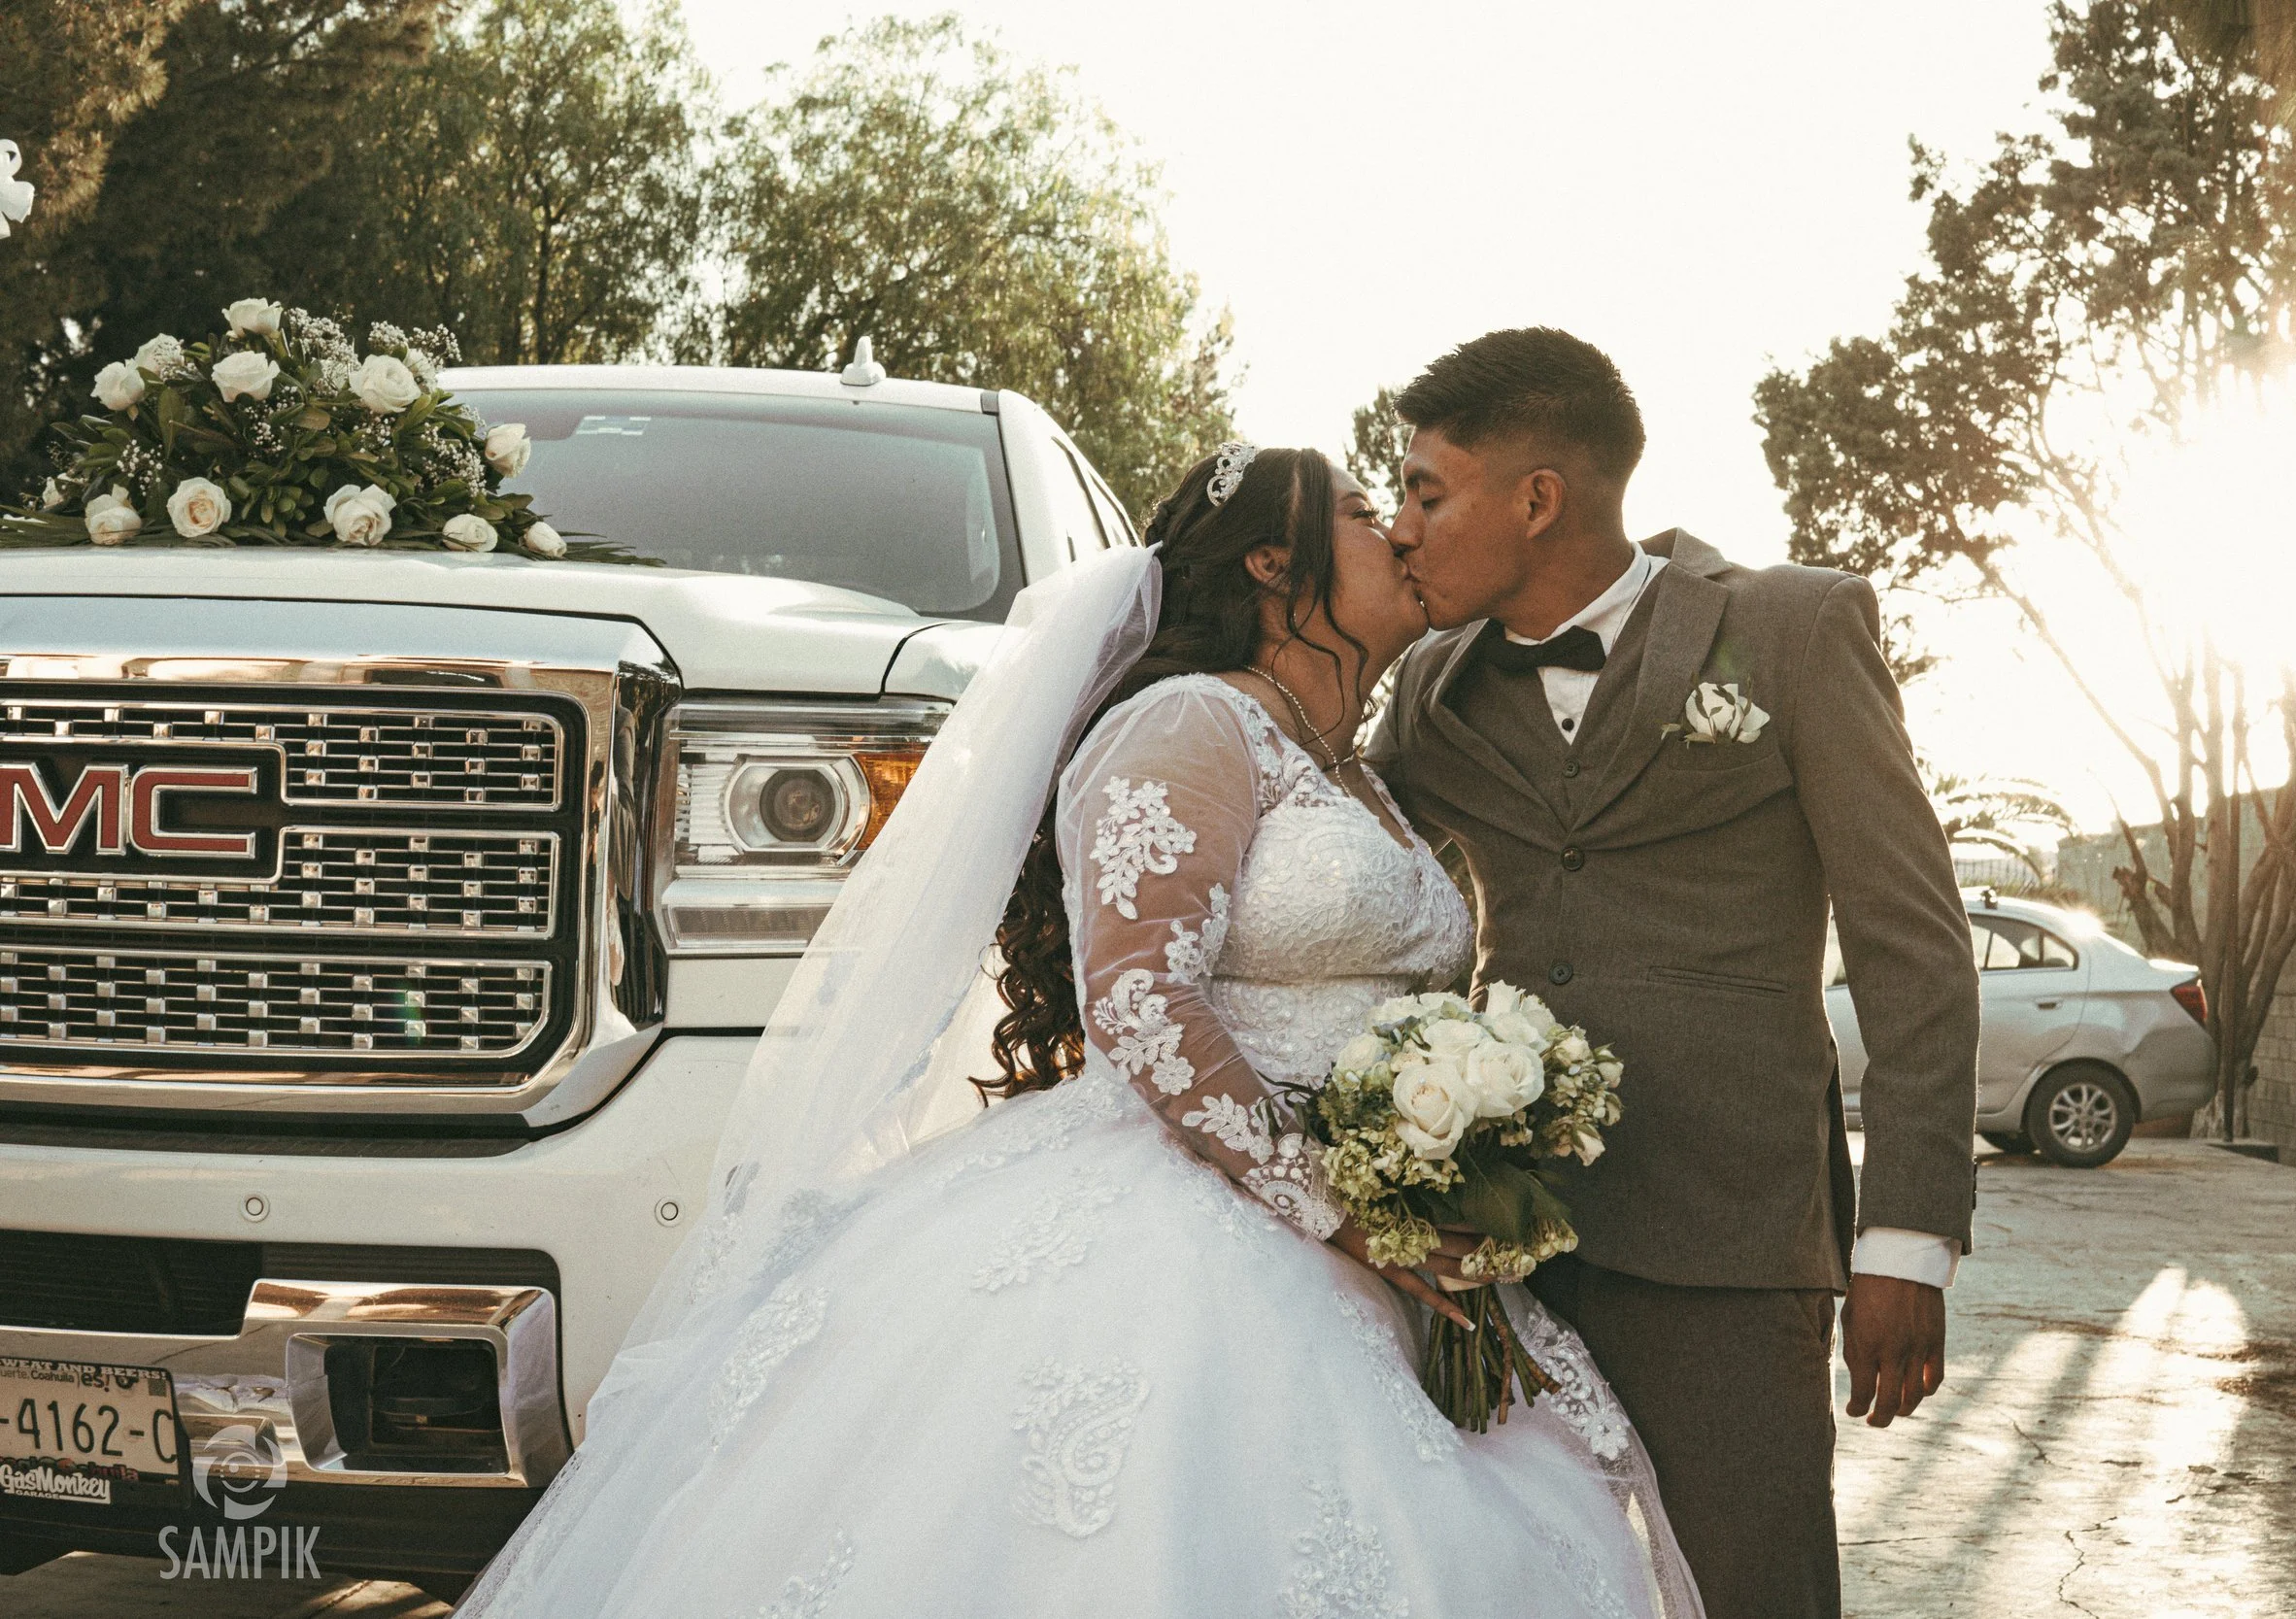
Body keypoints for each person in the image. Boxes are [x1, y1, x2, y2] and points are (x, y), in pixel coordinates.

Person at [454, 444, 1704, 1617]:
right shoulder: (1190, 724)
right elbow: (1143, 1001)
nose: (1398, 532)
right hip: (1205, 1218)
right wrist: (1349, 1209)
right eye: (1365, 513)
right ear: (1273, 563)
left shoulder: (1357, 773)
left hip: (1374, 1224)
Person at [1366, 327, 1980, 1619]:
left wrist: (1907, 1240)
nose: (1403, 523)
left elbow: (1910, 944)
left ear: (1538, 498)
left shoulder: (1793, 625)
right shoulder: (1429, 689)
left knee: (1754, 1587)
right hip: (1503, 1246)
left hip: (1732, 1241)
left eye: (1428, 490)